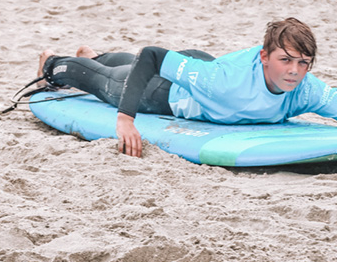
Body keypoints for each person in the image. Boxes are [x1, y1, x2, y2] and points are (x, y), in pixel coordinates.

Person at [37, 18, 336, 157]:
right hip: (166, 93)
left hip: (203, 68)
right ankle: (51, 63)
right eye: (285, 60)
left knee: (125, 66)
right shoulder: (224, 83)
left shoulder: (305, 88)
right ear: (264, 57)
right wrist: (125, 119)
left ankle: (96, 56)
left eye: (303, 63)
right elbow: (152, 55)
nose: (294, 72)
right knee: (107, 81)